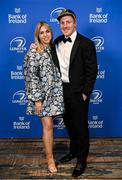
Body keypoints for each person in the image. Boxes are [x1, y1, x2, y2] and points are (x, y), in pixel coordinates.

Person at [51, 9, 98, 178]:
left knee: (81, 126)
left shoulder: (86, 43)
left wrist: (86, 92)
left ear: (75, 23)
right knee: (69, 124)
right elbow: (43, 49)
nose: (65, 25)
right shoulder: (56, 41)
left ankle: (82, 159)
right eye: (62, 23)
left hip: (78, 92)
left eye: (68, 22)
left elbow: (92, 70)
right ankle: (73, 151)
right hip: (61, 90)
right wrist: (34, 45)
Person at [23, 21, 64, 173]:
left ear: (51, 33)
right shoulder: (33, 52)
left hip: (56, 95)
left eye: (47, 31)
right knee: (47, 127)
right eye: (42, 32)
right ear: (37, 36)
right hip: (42, 97)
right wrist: (37, 100)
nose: (45, 35)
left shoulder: (54, 49)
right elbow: (30, 77)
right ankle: (50, 159)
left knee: (50, 127)